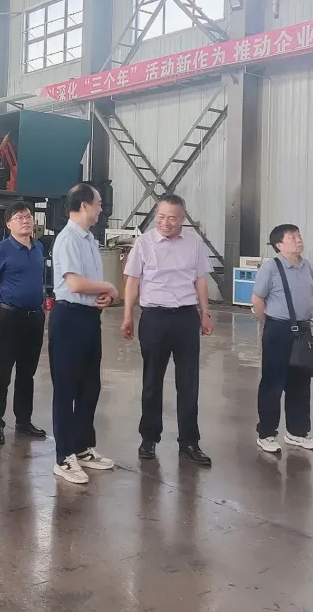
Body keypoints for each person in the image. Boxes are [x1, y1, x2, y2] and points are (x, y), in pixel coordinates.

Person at [121, 194, 214, 466]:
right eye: (161, 216)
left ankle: (189, 442)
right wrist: (128, 316)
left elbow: (200, 280)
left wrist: (205, 313)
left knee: (189, 382)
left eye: (172, 218)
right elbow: (132, 281)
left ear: (182, 219)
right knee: (152, 381)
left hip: (186, 317)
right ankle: (149, 438)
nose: (165, 222)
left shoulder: (194, 244)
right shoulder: (144, 243)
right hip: (154, 317)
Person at [47, 183, 118, 485]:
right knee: (66, 388)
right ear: (85, 205)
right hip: (69, 318)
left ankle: (83, 447)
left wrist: (105, 296)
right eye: (98, 203)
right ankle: (64, 457)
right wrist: (109, 287)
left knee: (90, 386)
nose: (101, 209)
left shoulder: (89, 239)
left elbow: (90, 283)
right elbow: (75, 284)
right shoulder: (68, 239)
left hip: (89, 317)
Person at [251, 224, 313, 453]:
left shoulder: (306, 265)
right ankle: (266, 434)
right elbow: (257, 300)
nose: (299, 240)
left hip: (303, 330)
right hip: (278, 329)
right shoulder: (271, 268)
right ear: (279, 245)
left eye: (299, 236)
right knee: (273, 382)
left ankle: (297, 433)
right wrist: (270, 323)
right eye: (292, 237)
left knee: (300, 383)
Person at [0, 202, 48, 445]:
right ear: (9, 224)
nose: (26, 221)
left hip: (35, 317)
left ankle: (23, 421)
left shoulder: (38, 247)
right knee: (3, 371)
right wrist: (1, 307)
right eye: (19, 217)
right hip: (10, 318)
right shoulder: (1, 250)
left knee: (27, 372)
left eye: (28, 216)